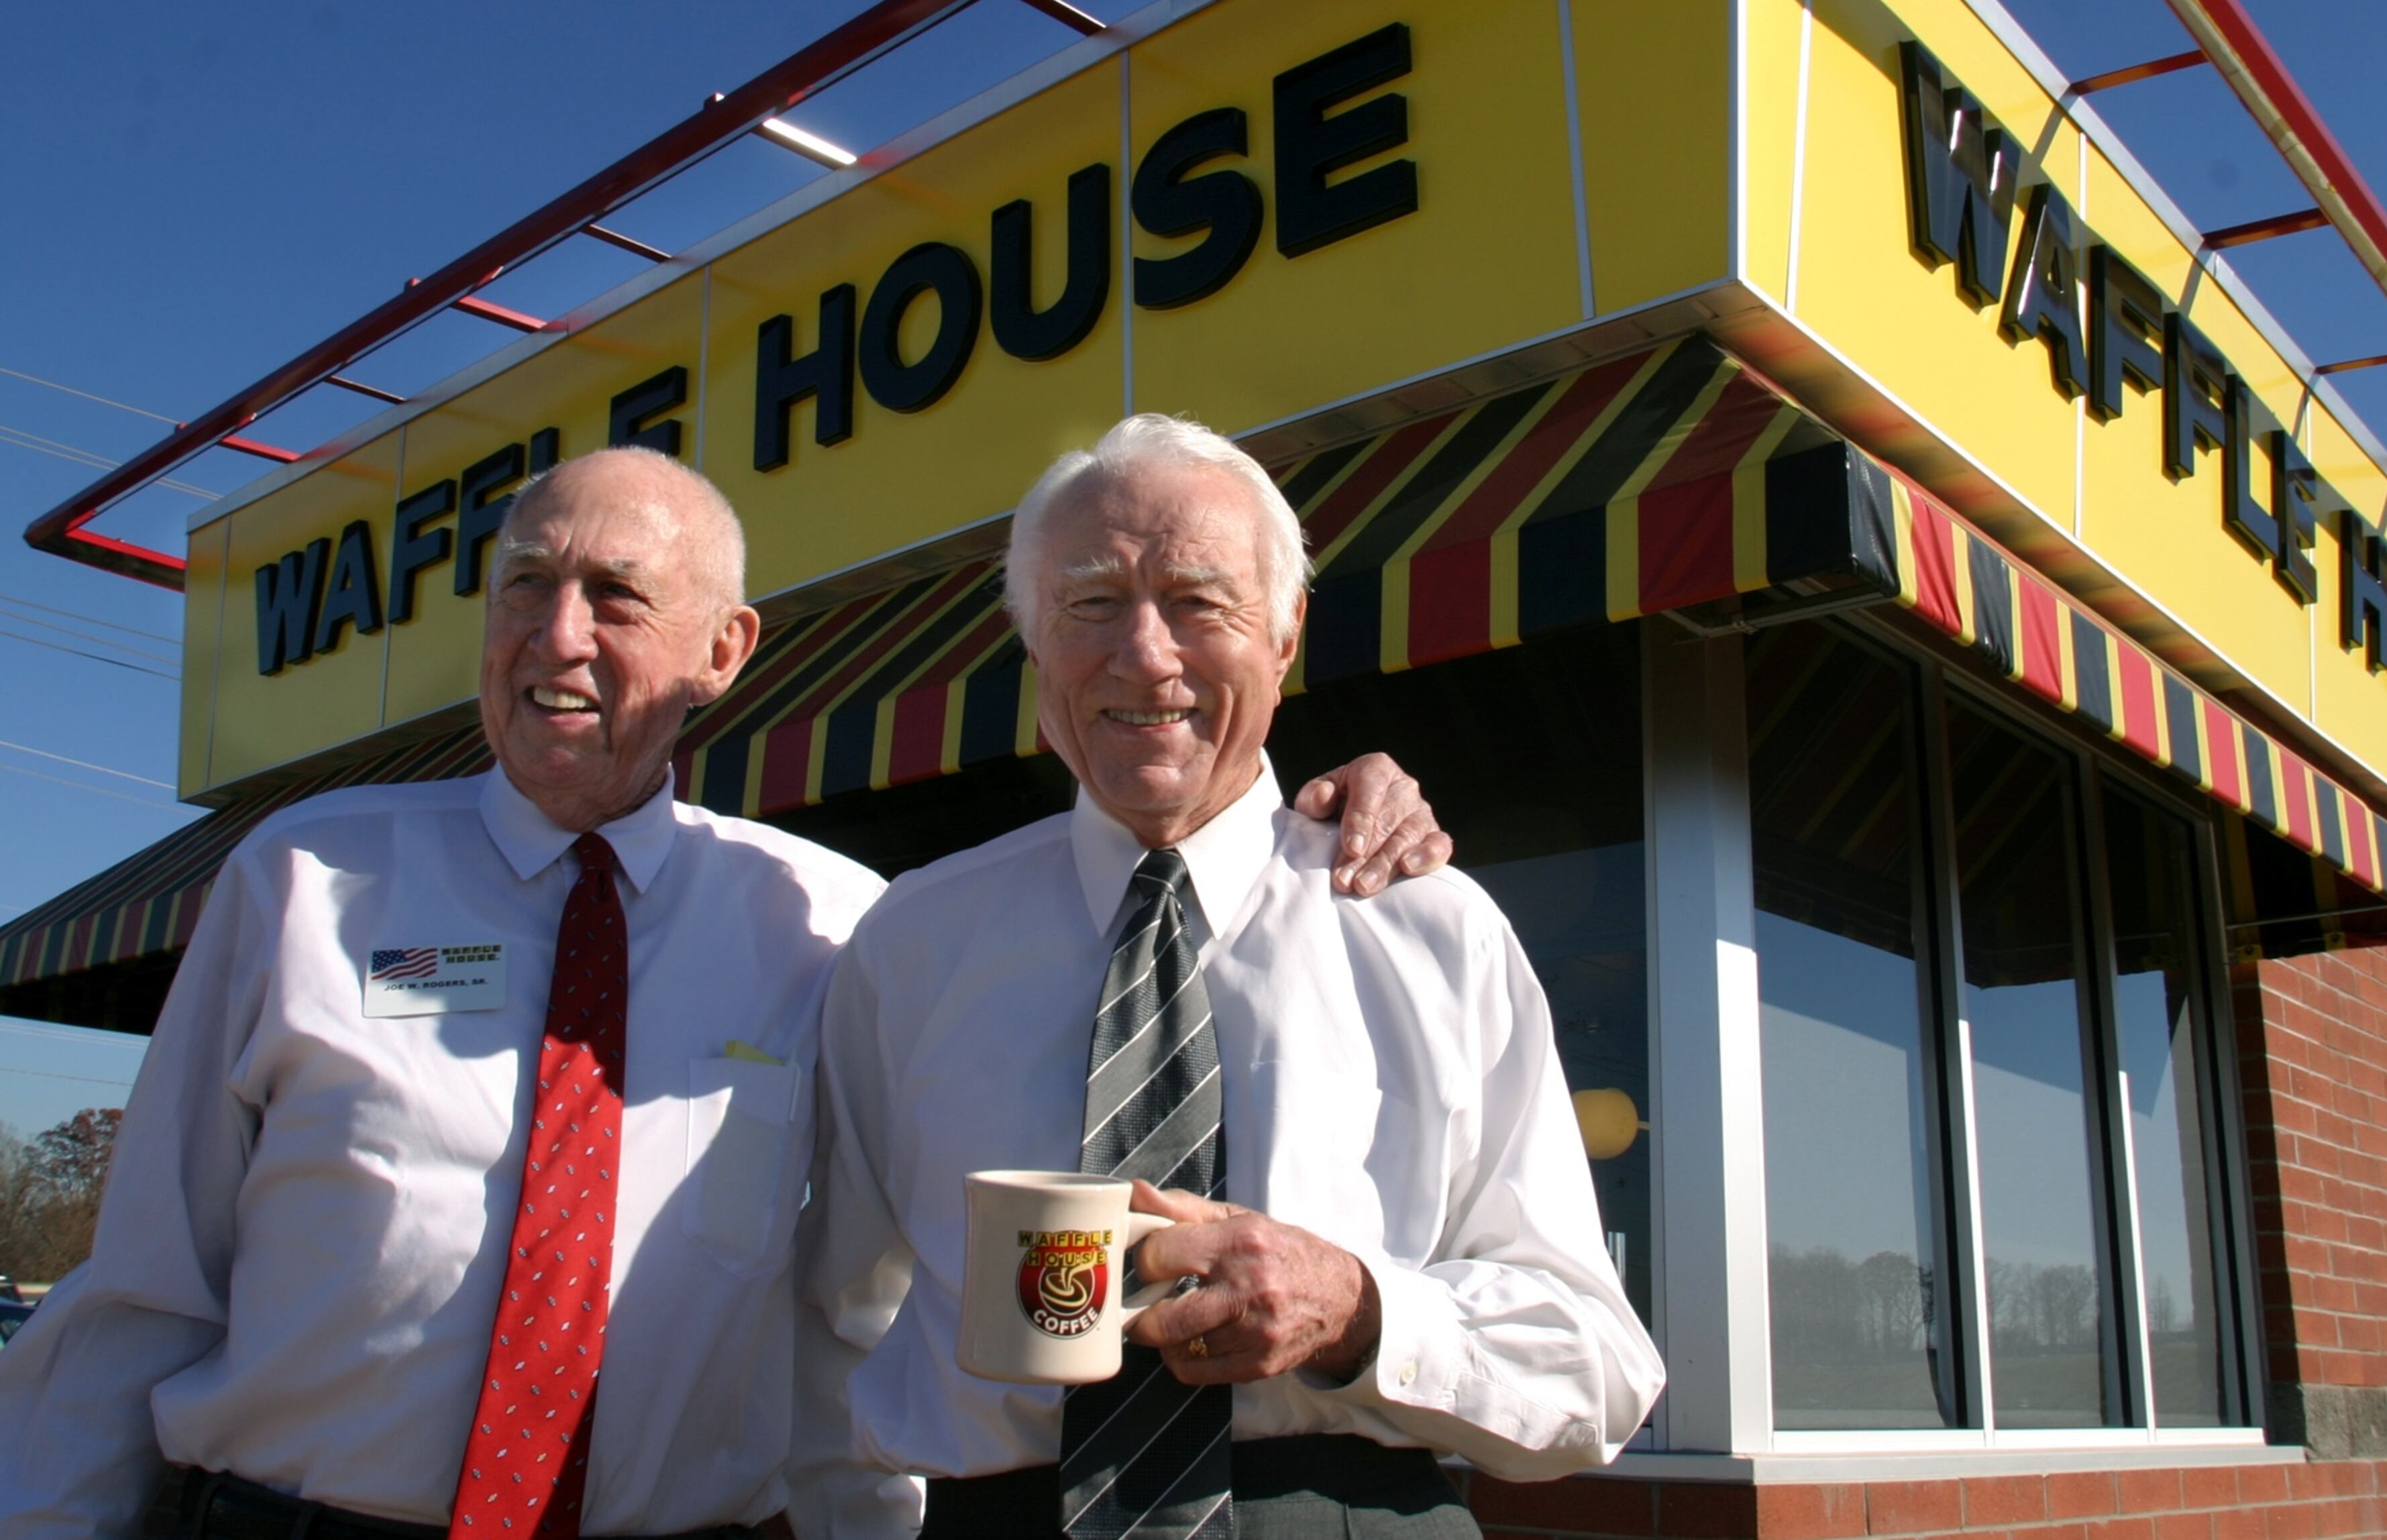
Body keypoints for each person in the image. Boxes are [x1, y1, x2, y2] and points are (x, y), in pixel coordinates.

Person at [0, 445, 1451, 1540]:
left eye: (616, 597)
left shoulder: (835, 922)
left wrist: (1317, 806)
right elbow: (141, 1291)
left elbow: (862, 1306)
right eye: (527, 585)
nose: (558, 635)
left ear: (723, 650)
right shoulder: (304, 876)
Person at [796, 416, 1664, 1538]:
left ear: (1287, 631)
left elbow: (1597, 1367)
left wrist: (1361, 1313)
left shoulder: (1435, 930)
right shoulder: (911, 943)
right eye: (1092, 603)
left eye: (1200, 602)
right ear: (1033, 645)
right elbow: (834, 1317)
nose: (1146, 654)